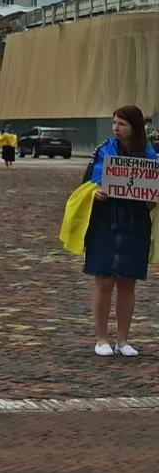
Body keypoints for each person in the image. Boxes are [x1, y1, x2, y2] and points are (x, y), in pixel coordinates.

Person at [83, 105, 157, 357]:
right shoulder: (104, 151)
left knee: (127, 281)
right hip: (105, 221)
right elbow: (87, 183)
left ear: (134, 128)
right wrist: (95, 192)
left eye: (121, 124)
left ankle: (123, 340)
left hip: (134, 223)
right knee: (103, 280)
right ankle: (101, 337)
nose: (116, 128)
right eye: (114, 123)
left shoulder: (149, 156)